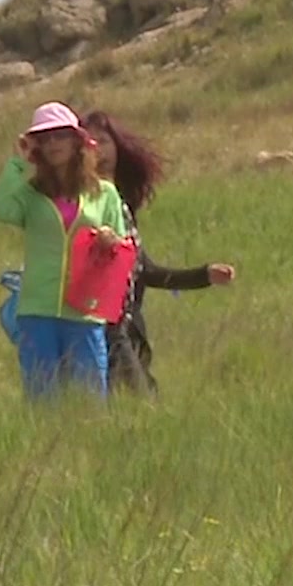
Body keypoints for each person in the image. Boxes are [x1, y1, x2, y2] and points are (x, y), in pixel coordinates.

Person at [78, 110, 234, 395]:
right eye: (90, 142)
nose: (98, 150)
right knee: (138, 402)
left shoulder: (121, 206)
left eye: (104, 141)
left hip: (128, 327)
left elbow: (143, 271)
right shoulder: (80, 205)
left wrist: (204, 275)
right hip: (99, 325)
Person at [0, 101, 131, 401]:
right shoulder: (29, 194)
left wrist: (109, 239)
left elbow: (122, 247)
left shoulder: (104, 193)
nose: (53, 144)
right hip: (37, 310)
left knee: (89, 399)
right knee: (42, 400)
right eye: (45, 138)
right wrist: (18, 162)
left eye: (60, 135)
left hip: (85, 310)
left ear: (77, 140)